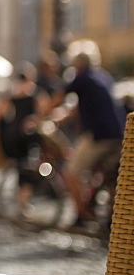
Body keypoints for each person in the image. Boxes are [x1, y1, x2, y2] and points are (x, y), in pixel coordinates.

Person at [49, 50, 123, 228]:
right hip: (119, 135)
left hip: (98, 136)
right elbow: (78, 109)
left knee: (71, 173)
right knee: (109, 175)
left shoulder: (81, 78)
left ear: (78, 64)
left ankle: (81, 215)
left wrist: (39, 116)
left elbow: (58, 98)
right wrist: (60, 117)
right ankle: (108, 214)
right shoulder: (103, 77)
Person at [0, 72, 48, 214]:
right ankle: (23, 202)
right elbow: (43, 112)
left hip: (12, 136)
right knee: (27, 169)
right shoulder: (35, 95)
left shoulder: (13, 95)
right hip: (27, 137)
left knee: (21, 168)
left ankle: (18, 199)